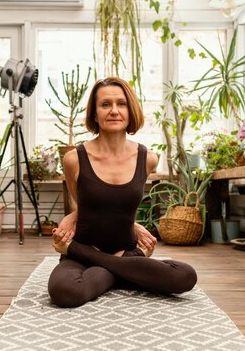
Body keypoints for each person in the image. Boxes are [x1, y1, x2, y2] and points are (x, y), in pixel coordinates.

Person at [47, 76, 198, 308]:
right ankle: (123, 271)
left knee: (185, 275)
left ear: (131, 111)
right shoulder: (74, 159)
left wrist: (132, 230)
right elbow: (83, 204)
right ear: (94, 114)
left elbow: (118, 206)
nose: (114, 111)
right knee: (66, 291)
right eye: (105, 104)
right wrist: (73, 228)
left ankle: (110, 269)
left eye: (121, 104)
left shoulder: (147, 159)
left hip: (126, 250)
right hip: (84, 255)